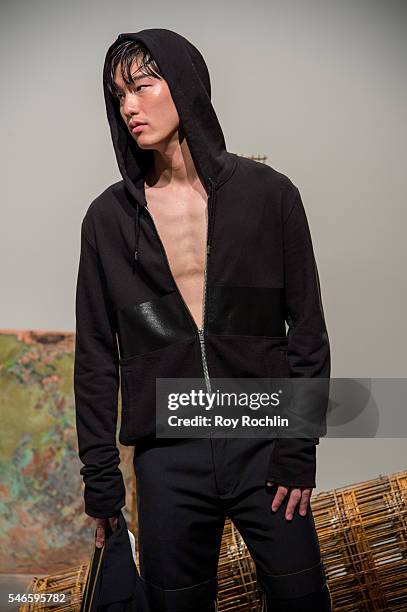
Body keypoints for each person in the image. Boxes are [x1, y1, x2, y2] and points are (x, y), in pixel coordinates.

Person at [74, 28, 332, 611]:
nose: (128, 106)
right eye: (118, 96)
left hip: (264, 442)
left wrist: (299, 448)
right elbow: (95, 358)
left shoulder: (271, 196)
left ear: (184, 88)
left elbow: (308, 334)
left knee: (302, 600)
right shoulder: (108, 220)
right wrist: (102, 481)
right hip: (167, 458)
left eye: (141, 86)